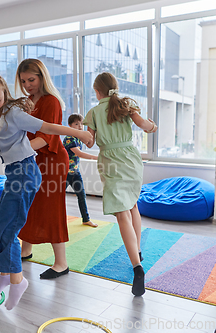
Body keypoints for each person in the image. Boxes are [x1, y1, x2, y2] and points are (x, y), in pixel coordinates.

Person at [0, 70, 92, 310]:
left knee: (11, 227)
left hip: (26, 172)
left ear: (5, 93)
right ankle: (5, 275)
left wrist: (80, 133)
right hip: (12, 173)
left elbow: (50, 127)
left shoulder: (15, 114)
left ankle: (17, 280)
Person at [83, 72, 157, 296]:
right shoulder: (127, 105)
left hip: (110, 161)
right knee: (132, 205)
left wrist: (75, 133)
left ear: (97, 92)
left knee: (122, 212)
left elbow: (89, 142)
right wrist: (152, 126)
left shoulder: (94, 112)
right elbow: (145, 126)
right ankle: (139, 251)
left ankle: (137, 267)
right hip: (131, 159)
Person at [15, 58, 70, 279]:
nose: (28, 85)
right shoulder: (27, 102)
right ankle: (26, 249)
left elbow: (46, 138)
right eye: (23, 81)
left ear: (42, 77)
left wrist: (17, 151)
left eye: (31, 79)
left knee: (51, 208)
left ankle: (61, 263)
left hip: (52, 160)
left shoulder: (51, 102)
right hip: (33, 159)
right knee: (28, 204)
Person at [63, 113, 98, 227]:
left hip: (75, 173)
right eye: (76, 124)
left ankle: (86, 219)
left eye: (81, 124)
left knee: (81, 195)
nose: (79, 126)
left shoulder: (78, 138)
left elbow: (89, 143)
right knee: (58, 197)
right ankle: (54, 218)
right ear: (70, 125)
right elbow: (79, 154)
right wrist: (97, 157)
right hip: (65, 173)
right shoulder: (69, 138)